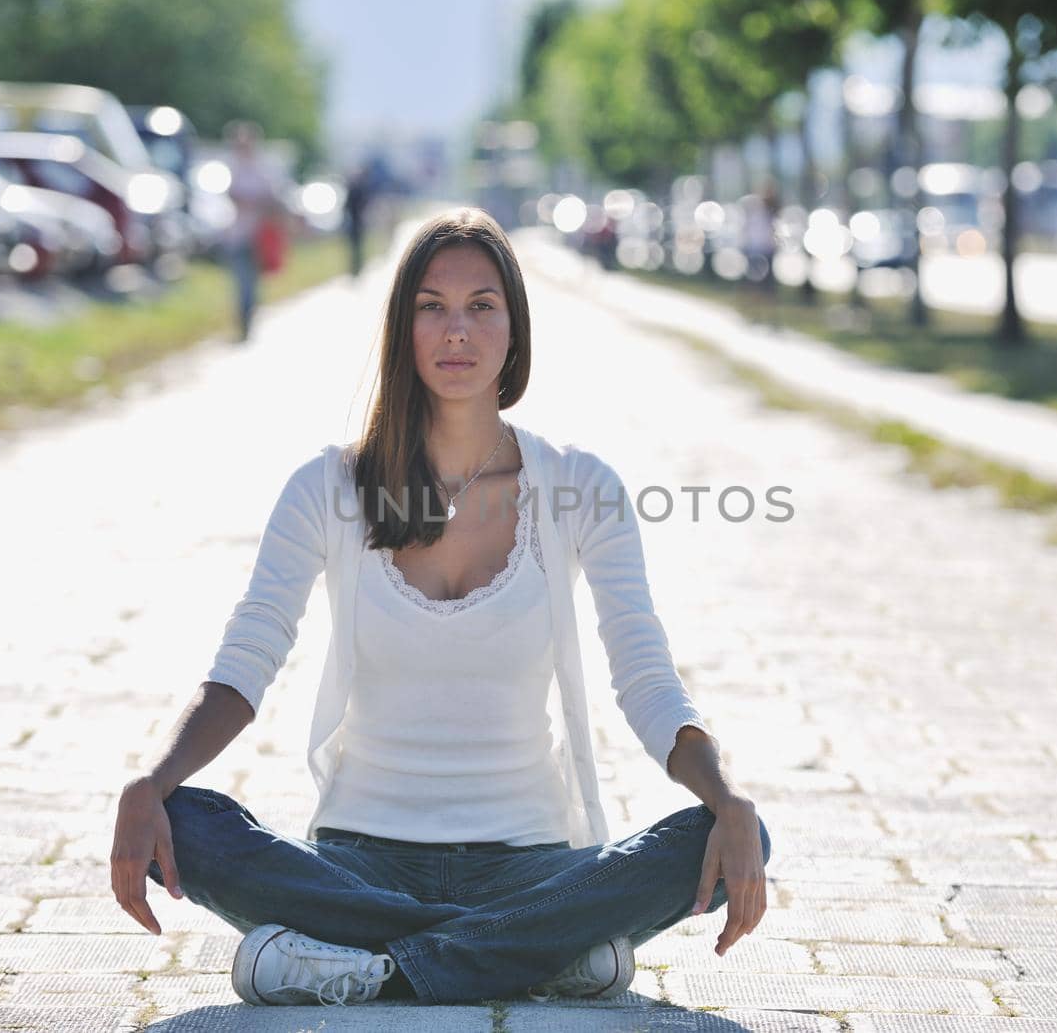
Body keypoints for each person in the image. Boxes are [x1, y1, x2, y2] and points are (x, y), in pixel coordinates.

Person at [108, 207, 772, 1008]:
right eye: (432, 306)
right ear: (402, 329)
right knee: (182, 818)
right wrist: (154, 778)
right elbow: (246, 662)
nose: (456, 330)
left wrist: (724, 796)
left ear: (514, 330)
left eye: (481, 306)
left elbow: (645, 674)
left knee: (734, 832)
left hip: (532, 859)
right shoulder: (327, 487)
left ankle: (375, 960)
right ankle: (534, 950)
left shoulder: (581, 487)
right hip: (359, 860)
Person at [221, 120, 288, 342]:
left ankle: (248, 323)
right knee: (241, 283)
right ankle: (243, 324)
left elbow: (273, 201)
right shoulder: (232, 168)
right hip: (237, 235)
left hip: (258, 236)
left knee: (251, 284)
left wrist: (254, 202)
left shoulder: (263, 169)